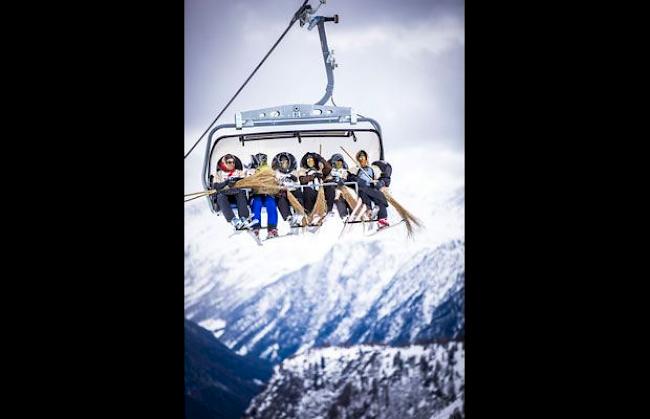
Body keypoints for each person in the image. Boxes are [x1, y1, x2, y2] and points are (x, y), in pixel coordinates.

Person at [347, 150, 390, 230]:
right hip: (361, 188)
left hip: (371, 187)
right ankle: (368, 210)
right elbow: (349, 178)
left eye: (363, 157)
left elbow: (384, 178)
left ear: (366, 158)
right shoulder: (354, 169)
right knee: (363, 194)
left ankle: (382, 219)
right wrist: (357, 180)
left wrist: (380, 182)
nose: (361, 159)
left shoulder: (373, 169)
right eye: (360, 157)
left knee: (380, 197)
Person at [211, 154, 250, 230]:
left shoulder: (238, 172)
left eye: (233, 162)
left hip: (236, 193)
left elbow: (245, 181)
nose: (232, 164)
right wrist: (226, 182)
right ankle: (233, 220)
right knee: (220, 196)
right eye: (229, 162)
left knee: (241, 192)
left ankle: (244, 217)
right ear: (223, 163)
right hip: (224, 194)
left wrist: (237, 181)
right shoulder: (218, 174)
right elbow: (216, 186)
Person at [248, 153, 279, 239]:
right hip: (256, 193)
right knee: (256, 204)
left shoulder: (269, 169)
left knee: (271, 203)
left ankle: (272, 228)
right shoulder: (252, 169)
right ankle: (255, 226)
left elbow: (274, 178)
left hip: (268, 192)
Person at [272, 152, 304, 228]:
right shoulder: (276, 173)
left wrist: (294, 178)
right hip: (283, 191)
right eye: (282, 161)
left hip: (293, 190)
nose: (284, 163)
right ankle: (289, 217)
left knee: (298, 194)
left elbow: (298, 183)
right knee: (280, 198)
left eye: (285, 161)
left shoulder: (294, 171)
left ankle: (299, 214)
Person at [297, 152, 332, 222]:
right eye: (308, 161)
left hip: (320, 190)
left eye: (311, 160)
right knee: (308, 191)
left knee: (330, 188)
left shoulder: (320, 169)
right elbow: (302, 180)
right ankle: (310, 214)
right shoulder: (303, 171)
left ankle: (327, 211)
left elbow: (328, 168)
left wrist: (321, 159)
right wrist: (313, 176)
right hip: (310, 191)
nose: (310, 162)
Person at [326, 153, 354, 219]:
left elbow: (347, 178)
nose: (338, 164)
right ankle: (343, 215)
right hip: (335, 189)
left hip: (344, 188)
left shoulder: (345, 171)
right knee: (338, 198)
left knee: (347, 196)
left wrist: (343, 180)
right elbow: (327, 179)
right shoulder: (331, 171)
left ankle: (352, 213)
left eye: (340, 162)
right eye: (337, 162)